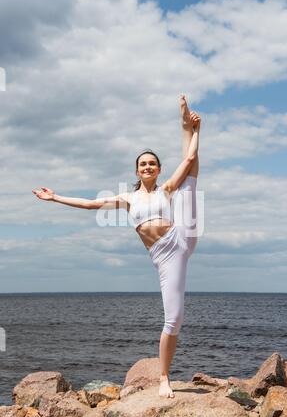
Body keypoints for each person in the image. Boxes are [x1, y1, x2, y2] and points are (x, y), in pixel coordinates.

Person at [32, 95, 201, 398]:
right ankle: (164, 376)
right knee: (174, 318)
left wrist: (193, 129)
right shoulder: (127, 199)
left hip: (182, 235)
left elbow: (188, 160)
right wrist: (55, 197)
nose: (147, 167)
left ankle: (185, 124)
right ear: (137, 171)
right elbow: (89, 204)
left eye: (152, 163)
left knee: (189, 178)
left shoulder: (166, 189)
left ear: (158, 169)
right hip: (165, 255)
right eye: (143, 164)